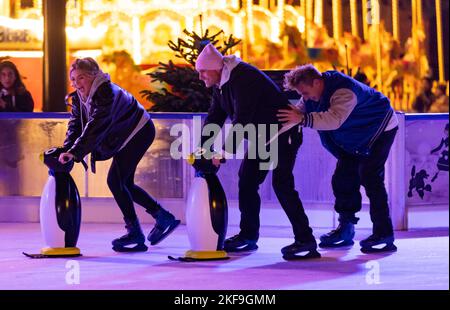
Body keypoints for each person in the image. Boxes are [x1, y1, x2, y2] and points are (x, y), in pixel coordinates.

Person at [195, 44, 319, 259]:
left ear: (215, 68)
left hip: (283, 133)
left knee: (282, 185)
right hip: (263, 136)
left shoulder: (243, 77)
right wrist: (202, 148)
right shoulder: (221, 84)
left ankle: (305, 240)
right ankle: (248, 236)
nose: (200, 76)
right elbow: (214, 117)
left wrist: (222, 153)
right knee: (247, 180)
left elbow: (242, 119)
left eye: (203, 71)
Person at [59, 57, 180, 252]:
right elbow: (75, 125)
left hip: (138, 131)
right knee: (123, 183)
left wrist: (75, 152)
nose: (76, 83)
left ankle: (135, 232)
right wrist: (67, 149)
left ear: (93, 76)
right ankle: (162, 217)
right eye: (73, 79)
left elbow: (96, 126)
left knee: (116, 181)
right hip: (125, 134)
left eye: (80, 78)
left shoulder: (106, 93)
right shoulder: (79, 97)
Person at [278, 64, 399, 253]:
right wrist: (270, 132)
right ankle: (346, 229)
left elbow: (333, 120)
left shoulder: (344, 91)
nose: (306, 97)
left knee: (370, 177)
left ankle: (384, 233)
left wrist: (302, 119)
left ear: (317, 82)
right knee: (343, 180)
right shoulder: (311, 95)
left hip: (380, 128)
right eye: (303, 94)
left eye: (307, 93)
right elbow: (295, 116)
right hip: (355, 136)